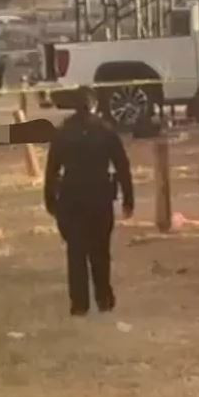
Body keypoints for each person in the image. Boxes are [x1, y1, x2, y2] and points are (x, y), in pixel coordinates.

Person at [44, 86, 134, 316]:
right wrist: (128, 198)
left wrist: (49, 198)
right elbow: (122, 166)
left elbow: (52, 168)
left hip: (71, 197)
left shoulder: (63, 132)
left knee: (75, 253)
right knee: (100, 251)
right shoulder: (105, 131)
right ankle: (104, 298)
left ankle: (79, 304)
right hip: (99, 196)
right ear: (94, 105)